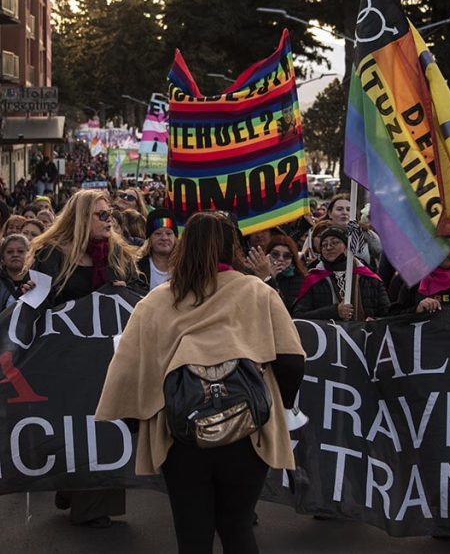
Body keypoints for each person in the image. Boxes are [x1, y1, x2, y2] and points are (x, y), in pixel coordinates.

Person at [95, 211, 305, 554]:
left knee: (192, 534)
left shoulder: (156, 301)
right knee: (237, 527)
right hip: (248, 431)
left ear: (184, 246)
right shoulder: (258, 292)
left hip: (180, 433)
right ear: (232, 246)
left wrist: (140, 422)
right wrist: (277, 404)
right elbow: (292, 360)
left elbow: (126, 370)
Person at [27, 189, 140, 527]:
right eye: (102, 215)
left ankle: (93, 505)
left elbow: (141, 294)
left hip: (108, 361)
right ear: (81, 218)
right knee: (72, 427)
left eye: (111, 215)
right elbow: (39, 302)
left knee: (105, 429)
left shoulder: (117, 253)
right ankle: (70, 483)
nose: (109, 221)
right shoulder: (50, 254)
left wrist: (125, 287)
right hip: (66, 359)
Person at [292, 224, 390, 320]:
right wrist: (334, 312)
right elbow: (298, 315)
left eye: (335, 242)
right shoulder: (314, 279)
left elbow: (387, 314)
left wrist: (375, 322)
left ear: (347, 246)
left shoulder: (369, 278)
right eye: (324, 245)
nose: (328, 247)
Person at [263, 234, 307, 312]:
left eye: (286, 256)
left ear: (292, 260)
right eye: (275, 254)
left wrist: (270, 280)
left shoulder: (299, 279)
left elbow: (286, 308)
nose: (280, 259)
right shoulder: (258, 273)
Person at [137, 208, 176, 293]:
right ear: (149, 239)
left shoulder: (185, 266)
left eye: (169, 233)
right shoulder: (137, 267)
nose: (164, 238)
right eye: (158, 233)